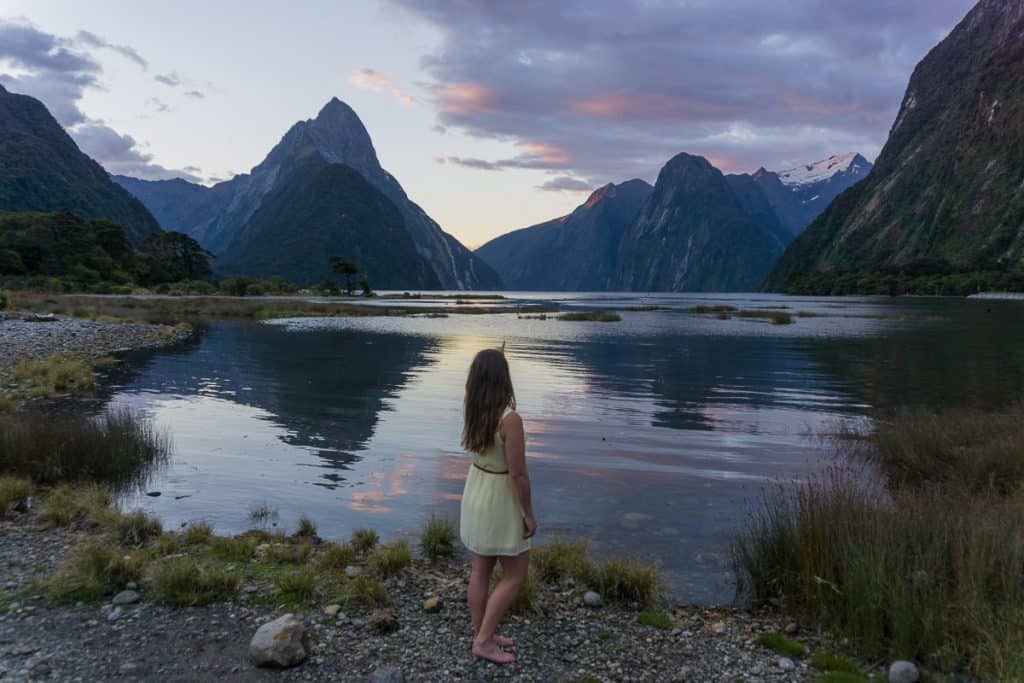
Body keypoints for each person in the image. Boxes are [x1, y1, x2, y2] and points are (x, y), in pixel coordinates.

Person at [459, 345, 538, 664]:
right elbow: (518, 475)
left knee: (481, 570)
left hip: (476, 490)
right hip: (501, 499)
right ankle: (483, 641)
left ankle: (483, 634)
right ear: (503, 378)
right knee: (516, 574)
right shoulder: (510, 420)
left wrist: (494, 353)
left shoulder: (471, 404)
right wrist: (529, 515)